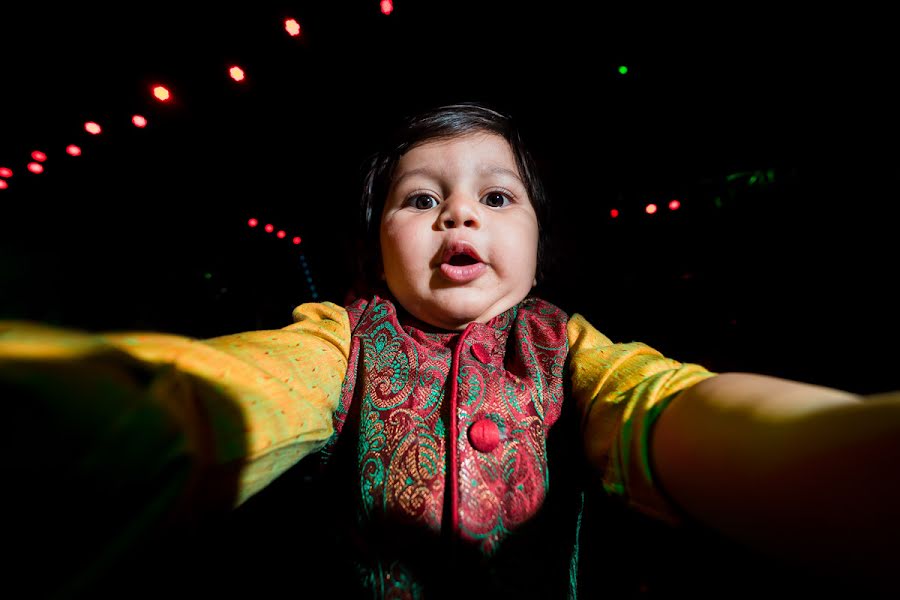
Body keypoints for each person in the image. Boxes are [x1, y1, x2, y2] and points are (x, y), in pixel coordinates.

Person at [1, 102, 898, 599]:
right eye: (421, 199)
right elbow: (236, 390)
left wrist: (833, 454)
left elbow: (663, 406)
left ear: (542, 240)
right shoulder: (341, 335)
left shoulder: (567, 345)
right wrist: (100, 412)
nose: (460, 214)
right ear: (376, 244)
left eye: (497, 198)